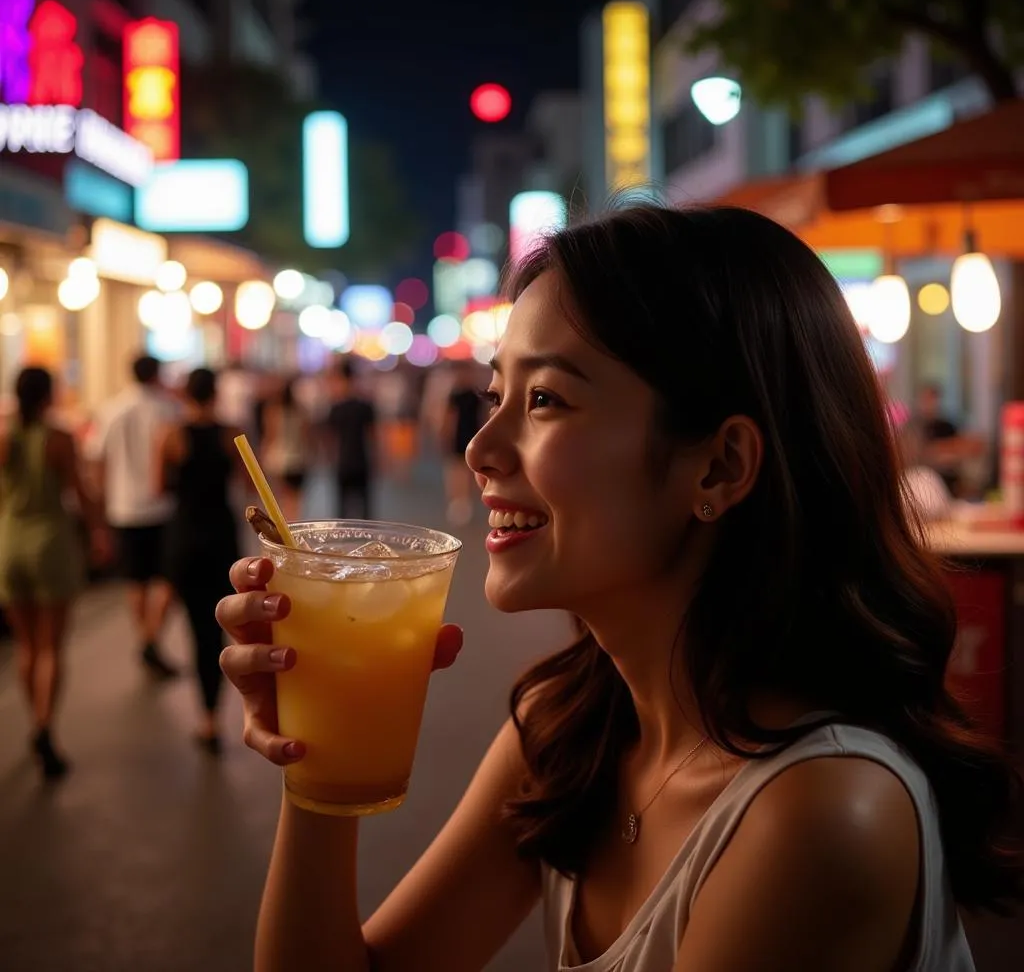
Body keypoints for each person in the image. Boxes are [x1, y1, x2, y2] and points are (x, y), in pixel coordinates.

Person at [216, 206, 1023, 971]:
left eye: (545, 400)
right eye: (496, 397)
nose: (481, 448)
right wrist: (317, 758)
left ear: (719, 466)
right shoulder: (572, 733)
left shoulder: (820, 810)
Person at [0, 367, 110, 778]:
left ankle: (33, 720)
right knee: (50, 646)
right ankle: (46, 726)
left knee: (25, 648)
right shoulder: (59, 438)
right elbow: (81, 494)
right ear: (49, 395)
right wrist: (99, 531)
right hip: (50, 543)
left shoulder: (5, 437)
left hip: (9, 543)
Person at [156, 368, 241, 753]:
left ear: (186, 394)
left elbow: (156, 486)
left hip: (186, 536)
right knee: (218, 626)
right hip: (220, 536)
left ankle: (205, 717)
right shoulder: (230, 434)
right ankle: (213, 718)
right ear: (215, 393)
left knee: (196, 630)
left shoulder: (171, 435)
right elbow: (245, 479)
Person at [89, 354, 179, 679]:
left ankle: (146, 639)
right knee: (167, 578)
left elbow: (96, 457)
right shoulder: (168, 409)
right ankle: (150, 640)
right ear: (156, 375)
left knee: (135, 579)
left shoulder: (112, 409)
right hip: (162, 507)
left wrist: (100, 501)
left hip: (123, 507)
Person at [326, 358, 376, 520]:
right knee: (365, 505)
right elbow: (373, 435)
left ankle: (343, 539)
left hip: (343, 461)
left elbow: (331, 439)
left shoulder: (336, 407)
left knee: (342, 507)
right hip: (362, 460)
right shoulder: (365, 405)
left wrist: (330, 458)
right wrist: (379, 458)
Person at [262, 376, 311, 523]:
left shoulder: (273, 411)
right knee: (294, 499)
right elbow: (305, 436)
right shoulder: (301, 411)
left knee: (280, 498)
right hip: (298, 458)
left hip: (278, 460)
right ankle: (293, 522)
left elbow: (270, 436)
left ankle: (283, 525)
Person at [442, 360, 484, 525]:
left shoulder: (473, 396)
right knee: (457, 469)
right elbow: (450, 417)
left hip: (470, 435)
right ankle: (457, 500)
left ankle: (463, 501)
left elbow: (481, 417)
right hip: (460, 435)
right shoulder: (456, 395)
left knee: (466, 470)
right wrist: (446, 434)